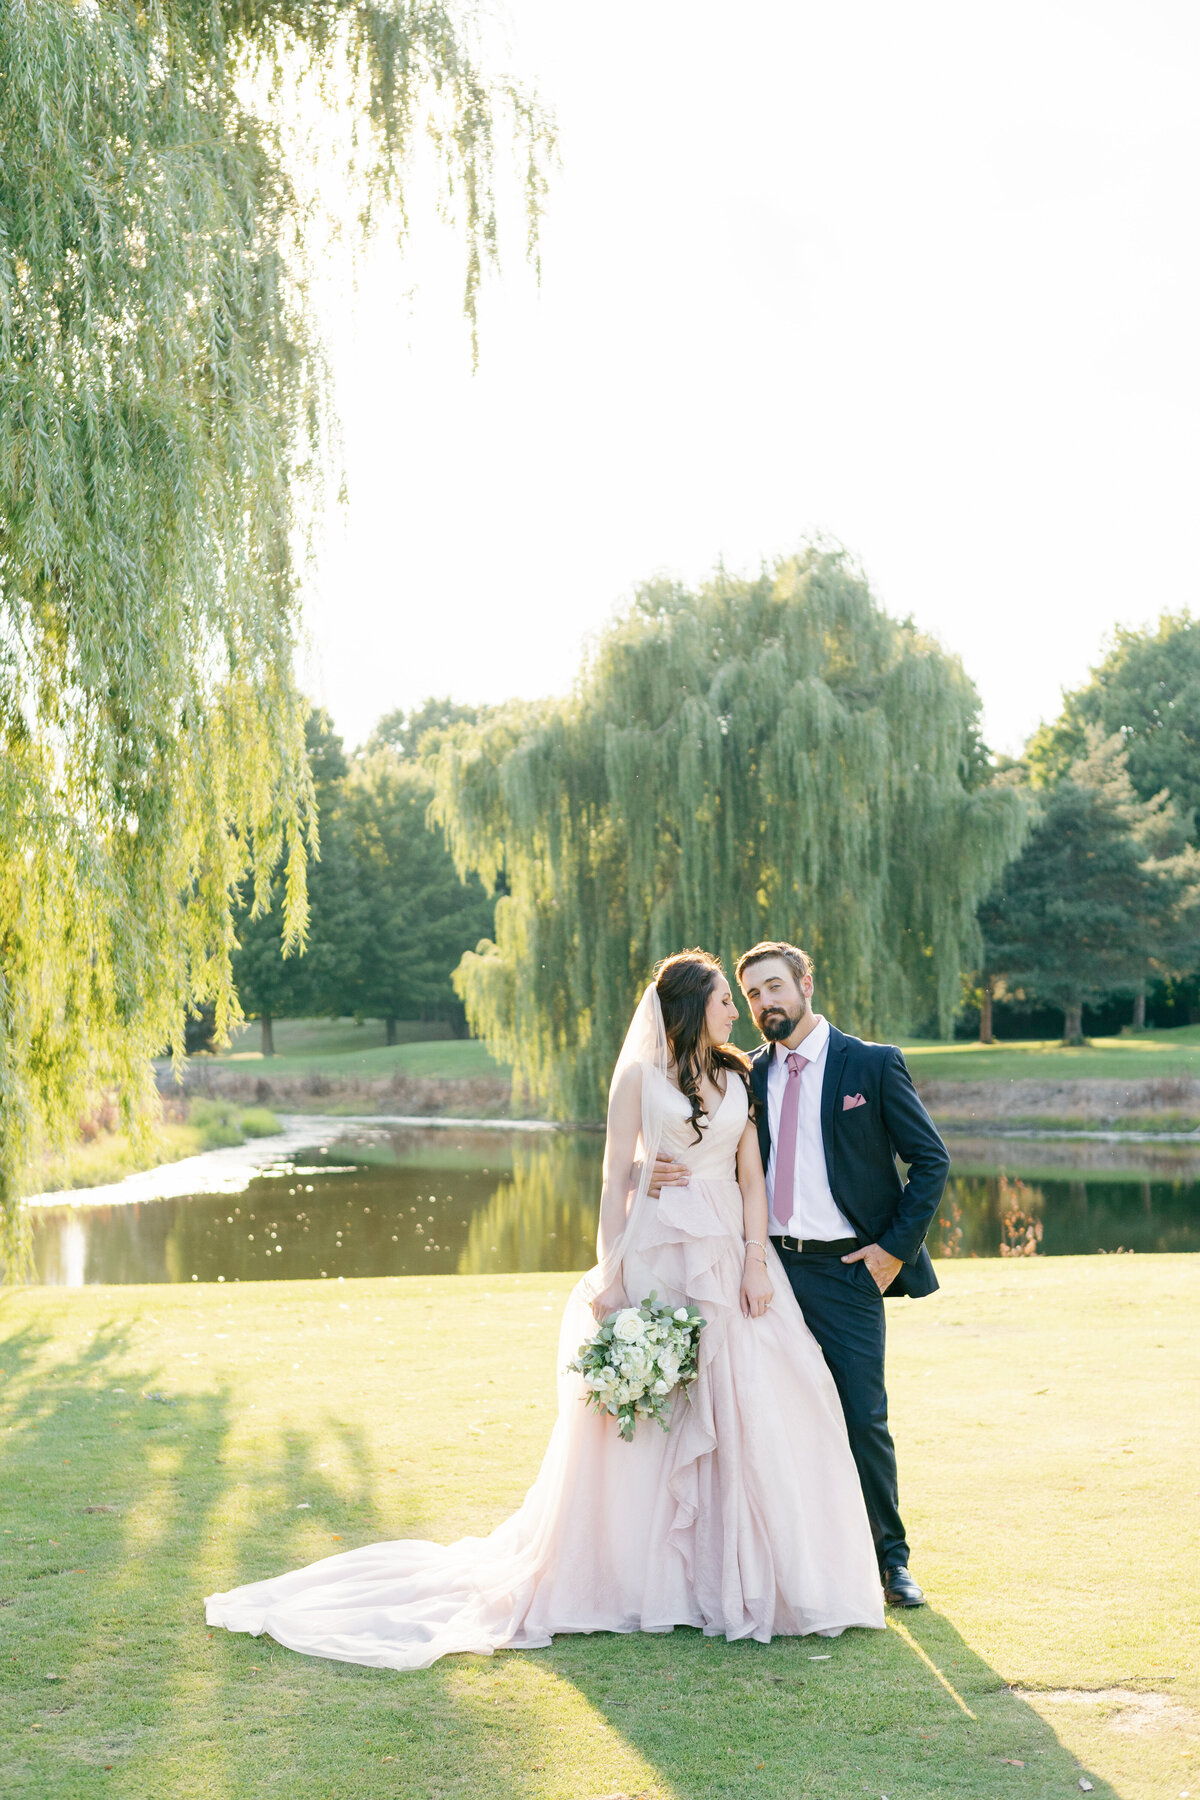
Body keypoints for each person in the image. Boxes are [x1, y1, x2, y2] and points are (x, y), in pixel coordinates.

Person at [205, 950, 884, 1670]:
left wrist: (755, 1258)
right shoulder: (637, 1079)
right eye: (724, 998)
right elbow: (609, 1175)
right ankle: (647, 1578)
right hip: (658, 1250)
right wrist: (613, 1264)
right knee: (656, 1415)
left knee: (758, 1401)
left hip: (728, 1253)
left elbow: (752, 1175)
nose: (735, 1010)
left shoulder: (738, 1074)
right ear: (691, 1006)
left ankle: (743, 1573)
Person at [652, 941, 949, 1608]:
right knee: (772, 1417)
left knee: (860, 1415)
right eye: (751, 995)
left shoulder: (869, 1065)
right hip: (767, 1269)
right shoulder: (744, 1073)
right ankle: (793, 1559)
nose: (763, 1004)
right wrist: (653, 1171)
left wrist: (891, 1252)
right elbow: (695, 1138)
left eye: (774, 988)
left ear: (806, 983)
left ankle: (891, 1562)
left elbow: (930, 1162)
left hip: (847, 1272)